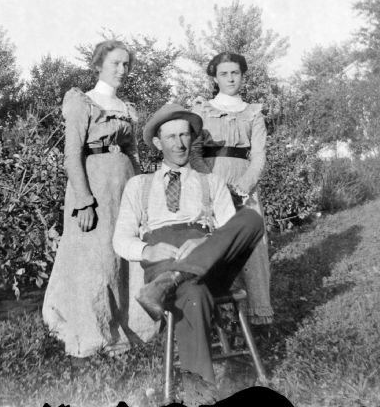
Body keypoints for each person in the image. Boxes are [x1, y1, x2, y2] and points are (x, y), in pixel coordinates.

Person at [113, 103, 265, 403]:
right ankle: (202, 396)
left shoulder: (211, 181)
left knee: (251, 219)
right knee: (192, 294)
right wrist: (149, 249)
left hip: (210, 259)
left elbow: (228, 231)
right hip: (163, 257)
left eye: (185, 135)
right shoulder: (139, 185)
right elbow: (120, 240)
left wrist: (206, 241)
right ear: (158, 143)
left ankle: (175, 278)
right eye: (171, 137)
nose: (180, 143)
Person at [42, 40, 155, 359]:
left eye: (127, 64)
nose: (122, 70)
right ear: (99, 65)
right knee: (96, 260)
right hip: (93, 189)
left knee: (122, 255)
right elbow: (71, 156)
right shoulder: (83, 102)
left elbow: (133, 154)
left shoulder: (127, 108)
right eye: (115, 63)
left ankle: (126, 324)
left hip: (124, 190)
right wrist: (84, 200)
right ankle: (94, 333)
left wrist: (140, 193)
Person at [190, 51, 273, 325]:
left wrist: (245, 184)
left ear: (242, 75)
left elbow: (259, 155)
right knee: (215, 243)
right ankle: (219, 318)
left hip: (243, 182)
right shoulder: (202, 110)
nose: (230, 78)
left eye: (235, 73)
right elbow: (194, 152)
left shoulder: (253, 113)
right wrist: (211, 185)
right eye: (224, 73)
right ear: (215, 77)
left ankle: (257, 314)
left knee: (252, 246)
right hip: (210, 182)